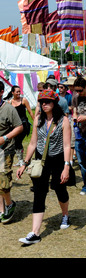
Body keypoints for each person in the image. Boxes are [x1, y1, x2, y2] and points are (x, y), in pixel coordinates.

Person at [17, 89, 71, 244]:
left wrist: (66, 167)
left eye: (47, 101)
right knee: (39, 193)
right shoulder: (38, 119)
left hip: (58, 159)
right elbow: (33, 143)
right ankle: (35, 233)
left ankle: (65, 214)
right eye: (41, 102)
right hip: (41, 160)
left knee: (59, 188)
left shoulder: (63, 120)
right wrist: (25, 163)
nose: (44, 104)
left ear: (54, 103)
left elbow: (67, 146)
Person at [0, 81, 23, 224]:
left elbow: (19, 127)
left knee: (3, 180)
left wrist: (4, 138)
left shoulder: (8, 109)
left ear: (1, 92)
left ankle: (9, 204)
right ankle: (2, 210)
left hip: (6, 148)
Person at [5, 85, 34, 166]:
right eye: (17, 92)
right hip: (14, 126)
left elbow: (30, 112)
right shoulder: (9, 102)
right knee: (15, 142)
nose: (19, 93)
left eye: (19, 91)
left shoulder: (23, 100)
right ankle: (20, 160)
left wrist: (35, 122)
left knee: (18, 141)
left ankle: (22, 161)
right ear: (12, 92)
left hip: (24, 124)